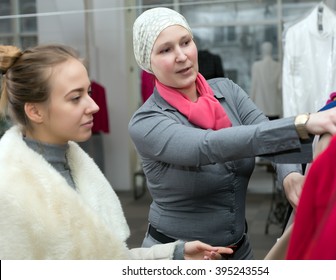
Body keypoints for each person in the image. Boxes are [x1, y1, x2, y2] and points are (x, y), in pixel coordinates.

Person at [129, 7, 336, 260]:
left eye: (186, 42)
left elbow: (266, 132)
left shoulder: (227, 91)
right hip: (179, 257)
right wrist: (303, 123)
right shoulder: (147, 121)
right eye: (166, 50)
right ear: (148, 62)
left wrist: (289, 175)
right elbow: (206, 146)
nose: (182, 56)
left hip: (240, 251)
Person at [0, 44, 233, 260]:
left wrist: (175, 254)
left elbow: (106, 259)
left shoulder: (76, 166)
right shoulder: (9, 192)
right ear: (35, 111)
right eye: (75, 98)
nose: (94, 106)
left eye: (89, 92)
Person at [250, 41, 282, 120]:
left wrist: (249, 105)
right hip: (275, 107)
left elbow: (253, 87)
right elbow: (280, 86)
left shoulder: (256, 66)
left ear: (262, 50)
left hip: (260, 108)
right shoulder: (278, 66)